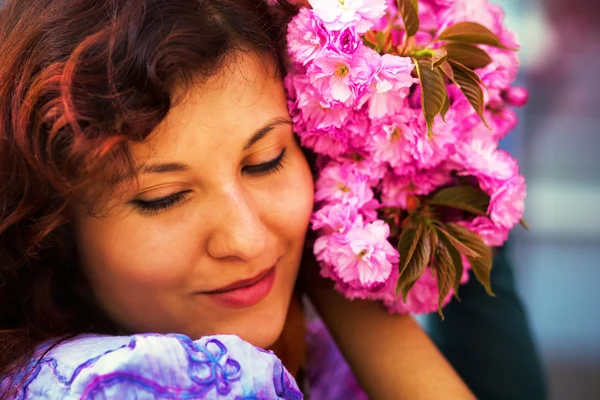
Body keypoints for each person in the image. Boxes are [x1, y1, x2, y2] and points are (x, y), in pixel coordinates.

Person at [0, 0, 476, 399]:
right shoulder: (127, 381)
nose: (246, 240)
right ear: (52, 228)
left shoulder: (317, 353)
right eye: (164, 198)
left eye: (265, 162)